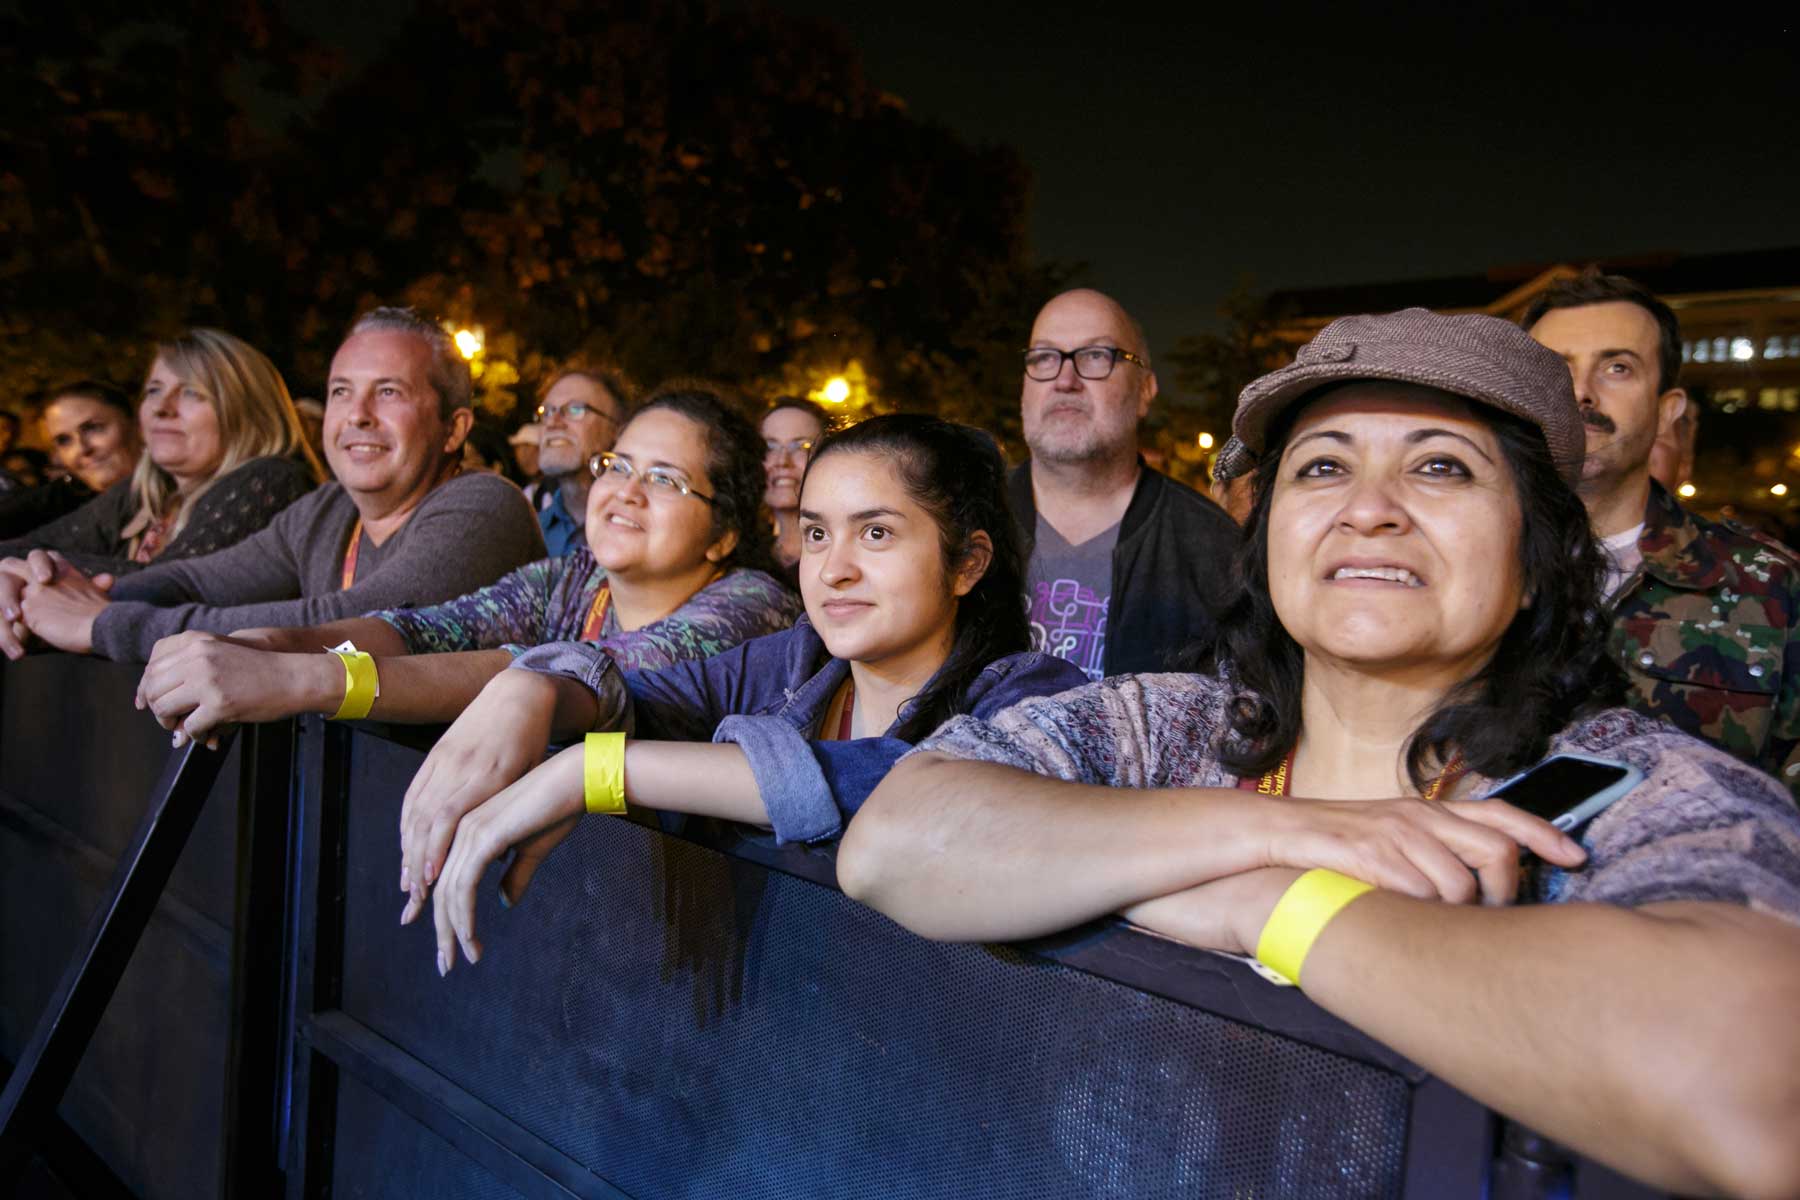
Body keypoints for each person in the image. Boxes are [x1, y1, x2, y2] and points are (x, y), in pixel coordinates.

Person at [836, 309, 1800, 1198]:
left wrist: (1275, 905)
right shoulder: (1173, 728)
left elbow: (1753, 1089)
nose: (1369, 508)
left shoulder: (1625, 787)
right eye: (1324, 468)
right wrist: (1274, 835)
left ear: (1537, 552)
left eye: (1442, 468)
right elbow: (893, 842)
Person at [410, 414, 1089, 968]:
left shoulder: (1033, 695)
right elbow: (640, 695)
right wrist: (530, 688)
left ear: (967, 563)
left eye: (876, 533)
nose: (835, 569)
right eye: (818, 532)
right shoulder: (793, 663)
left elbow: (911, 783)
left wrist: (598, 770)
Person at [135, 383, 800, 746]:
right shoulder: (571, 580)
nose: (625, 492)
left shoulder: (752, 608)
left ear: (723, 533)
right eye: (618, 466)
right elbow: (428, 629)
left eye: (665, 480)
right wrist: (268, 644)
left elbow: (574, 674)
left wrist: (303, 679)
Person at [0, 307, 544, 662]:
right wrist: (39, 591)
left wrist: (106, 624)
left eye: (388, 393)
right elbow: (190, 579)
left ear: (454, 429)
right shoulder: (326, 509)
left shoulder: (485, 505)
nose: (356, 415)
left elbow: (351, 626)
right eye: (340, 392)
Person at [1525, 269, 1800, 796]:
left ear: (1666, 409)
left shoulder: (1767, 585)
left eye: (1618, 368)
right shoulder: (1457, 567)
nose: (1580, 392)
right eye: (1554, 371)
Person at [1012, 289, 1239, 680]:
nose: (1065, 380)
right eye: (1045, 357)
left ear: (1146, 390)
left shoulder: (1216, 553)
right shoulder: (958, 522)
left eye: (1096, 356)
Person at [0, 329, 321, 575]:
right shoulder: (152, 488)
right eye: (154, 390)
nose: (162, 408)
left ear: (246, 410)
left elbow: (165, 584)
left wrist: (32, 572)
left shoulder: (270, 479)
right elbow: (33, 546)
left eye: (192, 392)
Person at [0, 382, 143, 539]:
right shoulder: (68, 499)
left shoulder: (170, 496)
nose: (82, 448)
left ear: (137, 423)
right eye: (64, 440)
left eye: (94, 428)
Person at [533, 364, 632, 556]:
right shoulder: (529, 533)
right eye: (547, 412)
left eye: (575, 410)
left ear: (617, 430)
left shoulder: (641, 529)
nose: (553, 422)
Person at [760, 397, 829, 570]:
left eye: (801, 446)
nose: (782, 461)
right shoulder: (747, 556)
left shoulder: (841, 553)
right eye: (769, 447)